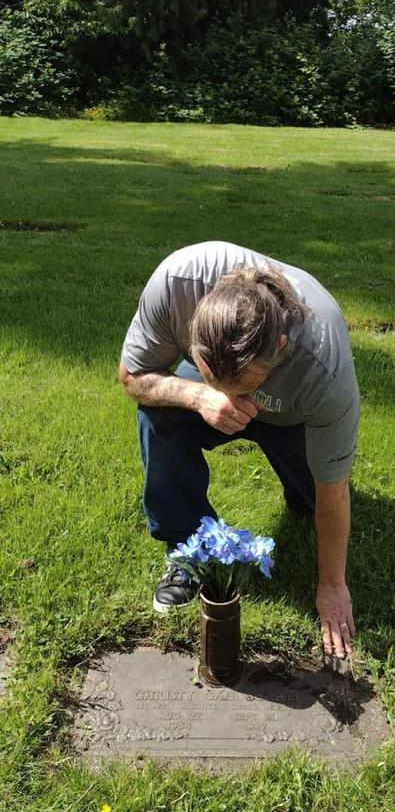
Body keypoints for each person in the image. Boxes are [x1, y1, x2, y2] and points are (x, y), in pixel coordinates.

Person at [118, 240, 360, 659]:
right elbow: (132, 377)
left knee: (314, 501)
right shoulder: (177, 284)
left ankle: (283, 452)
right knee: (160, 412)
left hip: (292, 417)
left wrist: (332, 587)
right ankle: (186, 549)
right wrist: (199, 396)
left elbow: (334, 489)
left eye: (243, 385)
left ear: (280, 348)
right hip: (201, 395)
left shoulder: (323, 366)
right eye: (217, 377)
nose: (230, 397)